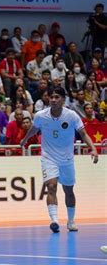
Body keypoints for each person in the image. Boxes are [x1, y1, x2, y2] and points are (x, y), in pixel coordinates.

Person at [20, 87, 99, 233]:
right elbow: (34, 129)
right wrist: (25, 140)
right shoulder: (40, 115)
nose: (54, 100)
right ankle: (55, 220)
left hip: (67, 159)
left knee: (69, 190)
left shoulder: (72, 116)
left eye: (57, 97)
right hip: (48, 157)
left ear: (63, 99)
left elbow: (83, 133)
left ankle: (70, 221)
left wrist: (93, 148)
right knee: (51, 186)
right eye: (51, 97)